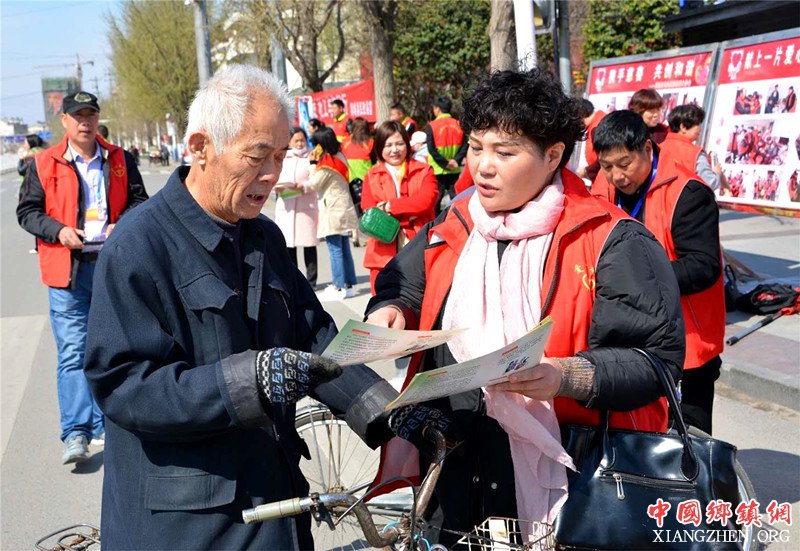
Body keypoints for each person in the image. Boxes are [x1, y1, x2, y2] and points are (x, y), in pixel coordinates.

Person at [83, 65, 397, 550]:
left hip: (277, 503)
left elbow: (316, 337)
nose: (271, 174)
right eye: (256, 156)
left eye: (280, 155)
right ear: (200, 148)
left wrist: (390, 413)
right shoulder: (138, 246)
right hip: (190, 525)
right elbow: (122, 385)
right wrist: (247, 382)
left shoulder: (263, 235)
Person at [367, 69, 684, 547]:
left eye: (505, 152)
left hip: (568, 473)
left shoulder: (611, 239)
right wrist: (392, 310)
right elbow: (406, 284)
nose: (482, 167)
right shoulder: (458, 221)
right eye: (476, 147)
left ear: (553, 155)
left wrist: (565, 375)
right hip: (457, 463)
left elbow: (654, 359)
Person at [16, 90, 148, 465]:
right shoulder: (44, 163)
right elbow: (27, 212)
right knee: (74, 351)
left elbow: (140, 201)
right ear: (65, 121)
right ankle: (76, 431)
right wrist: (59, 231)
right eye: (78, 116)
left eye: (90, 115)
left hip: (112, 267)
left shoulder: (120, 158)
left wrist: (122, 225)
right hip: (67, 271)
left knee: (115, 348)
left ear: (97, 119)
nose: (85, 122)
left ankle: (112, 424)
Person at [591, 109, 724, 435]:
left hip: (686, 343)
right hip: (626, 340)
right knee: (633, 437)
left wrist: (640, 283)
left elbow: (703, 266)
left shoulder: (688, 193)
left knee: (686, 439)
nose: (616, 176)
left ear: (647, 149)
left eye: (624, 164)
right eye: (607, 166)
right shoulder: (602, 190)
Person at [360, 120, 438, 292]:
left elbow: (426, 201)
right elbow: (369, 211)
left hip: (418, 244)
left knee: (419, 298)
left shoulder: (424, 170)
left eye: (399, 144)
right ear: (380, 147)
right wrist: (410, 210)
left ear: (407, 144)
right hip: (382, 251)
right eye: (388, 145)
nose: (394, 150)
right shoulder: (372, 175)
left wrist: (389, 206)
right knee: (383, 300)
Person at [308, 126, 359, 301]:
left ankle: (338, 286)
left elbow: (313, 184)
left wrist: (312, 164)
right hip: (343, 207)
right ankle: (349, 284)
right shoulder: (340, 156)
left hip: (332, 209)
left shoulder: (327, 163)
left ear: (321, 144)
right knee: (344, 247)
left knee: (335, 249)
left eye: (316, 144)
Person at [272, 126, 318, 287]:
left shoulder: (311, 157)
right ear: (289, 142)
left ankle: (311, 282)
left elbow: (317, 180)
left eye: (302, 140)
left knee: (309, 245)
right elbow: (273, 178)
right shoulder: (283, 157)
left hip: (306, 208)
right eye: (296, 141)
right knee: (289, 247)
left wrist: (304, 186)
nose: (299, 144)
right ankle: (294, 281)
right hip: (287, 207)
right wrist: (276, 187)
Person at [661, 104, 727, 191]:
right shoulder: (695, 153)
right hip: (684, 198)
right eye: (697, 124)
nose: (700, 129)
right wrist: (717, 172)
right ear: (683, 127)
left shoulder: (658, 147)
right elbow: (710, 183)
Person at [426, 96, 468, 214]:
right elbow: (465, 145)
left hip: (438, 168)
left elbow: (431, 149)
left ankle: (436, 220)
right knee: (455, 195)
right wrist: (456, 161)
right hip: (454, 168)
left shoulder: (432, 125)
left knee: (437, 197)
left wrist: (445, 163)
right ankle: (458, 216)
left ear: (437, 109)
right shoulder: (459, 124)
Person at [575, 98, 606, 181]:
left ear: (581, 115)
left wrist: (587, 171)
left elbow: (605, 157)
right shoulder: (598, 122)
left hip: (603, 178)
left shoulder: (597, 127)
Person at [340, 116, 374, 183]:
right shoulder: (370, 142)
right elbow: (375, 161)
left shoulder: (345, 142)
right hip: (367, 180)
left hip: (349, 181)